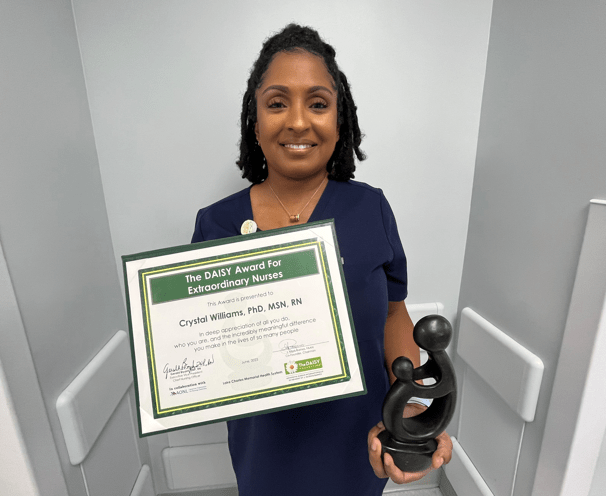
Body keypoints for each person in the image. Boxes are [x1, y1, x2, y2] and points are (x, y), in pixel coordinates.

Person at [191, 23, 452, 496]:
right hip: (264, 449)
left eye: (317, 103)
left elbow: (395, 312)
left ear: (340, 118)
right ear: (255, 120)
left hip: (359, 439)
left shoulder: (370, 207)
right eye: (276, 102)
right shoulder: (216, 224)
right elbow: (202, 349)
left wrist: (408, 409)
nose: (297, 121)